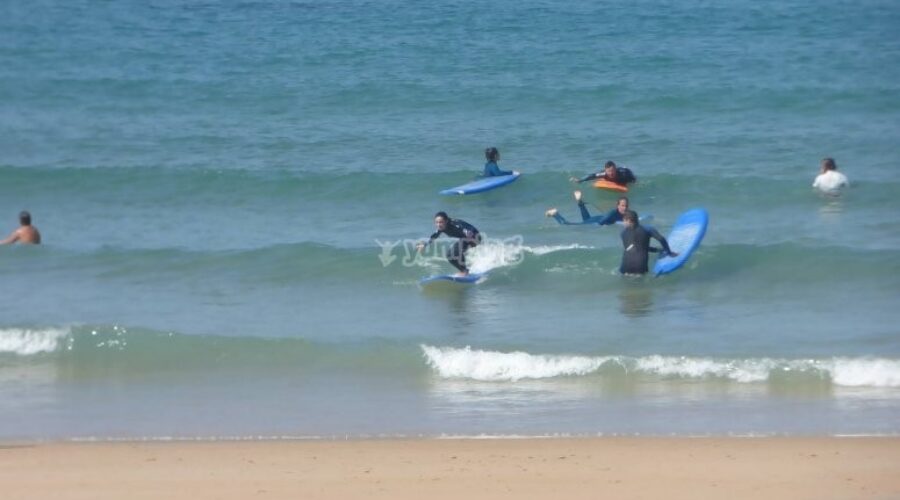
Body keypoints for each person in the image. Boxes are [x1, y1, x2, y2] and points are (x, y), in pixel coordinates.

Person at [416, 212, 482, 276]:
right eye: (436, 222)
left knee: (455, 252)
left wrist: (467, 232)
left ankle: (465, 271)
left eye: (441, 222)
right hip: (465, 239)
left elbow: (463, 227)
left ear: (446, 221)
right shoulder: (441, 228)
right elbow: (434, 236)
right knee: (450, 256)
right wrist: (425, 244)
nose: (438, 224)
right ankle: (465, 270)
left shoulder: (454, 223)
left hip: (474, 237)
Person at [619, 210, 676, 275]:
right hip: (640, 267)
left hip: (624, 267)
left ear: (628, 220)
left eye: (623, 220)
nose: (623, 222)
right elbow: (661, 239)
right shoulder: (647, 229)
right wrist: (669, 252)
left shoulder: (623, 233)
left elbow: (634, 247)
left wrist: (657, 250)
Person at [546, 191, 629, 225]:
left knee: (586, 219)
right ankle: (555, 214)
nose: (624, 208)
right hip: (595, 221)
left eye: (626, 206)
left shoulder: (626, 214)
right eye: (622, 205)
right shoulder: (613, 212)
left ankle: (580, 202)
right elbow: (601, 223)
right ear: (617, 205)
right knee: (567, 225)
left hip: (595, 218)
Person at [571, 160, 636, 187]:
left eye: (613, 170)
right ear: (605, 170)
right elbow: (592, 176)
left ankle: (623, 167)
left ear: (615, 169)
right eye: (609, 171)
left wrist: (631, 184)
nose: (611, 173)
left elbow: (632, 178)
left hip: (625, 171)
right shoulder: (604, 173)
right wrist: (580, 180)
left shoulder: (623, 174)